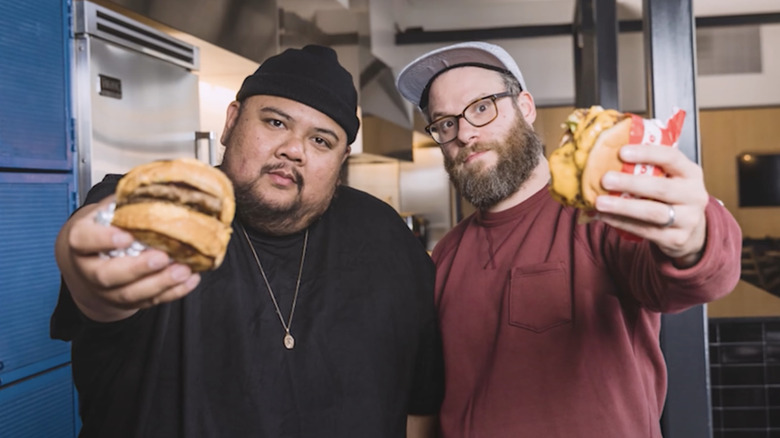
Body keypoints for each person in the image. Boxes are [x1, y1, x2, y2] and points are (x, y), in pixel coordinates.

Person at [51, 45, 443, 438]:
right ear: (232, 122)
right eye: (275, 123)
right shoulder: (173, 208)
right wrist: (91, 258)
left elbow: (419, 407)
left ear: (341, 164)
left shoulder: (385, 236)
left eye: (321, 141)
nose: (294, 149)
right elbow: (98, 249)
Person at [395, 41, 742, 437]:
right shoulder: (446, 254)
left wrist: (694, 237)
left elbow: (698, 275)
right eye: (445, 123)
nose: (465, 133)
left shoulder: (597, 214)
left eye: (480, 107)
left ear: (524, 107)